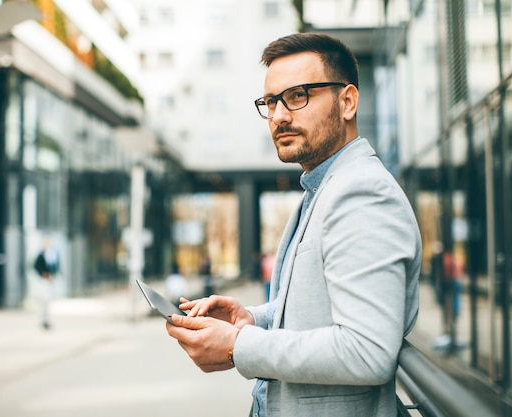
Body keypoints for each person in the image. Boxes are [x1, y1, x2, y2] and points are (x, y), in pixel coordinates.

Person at [165, 33, 422, 417]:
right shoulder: (323, 188)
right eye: (271, 101)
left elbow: (367, 351)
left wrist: (239, 345)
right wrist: (254, 318)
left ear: (347, 101)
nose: (280, 115)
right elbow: (321, 309)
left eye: (298, 95)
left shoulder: (362, 194)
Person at [34, 238, 60, 330]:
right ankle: (43, 319)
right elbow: (36, 267)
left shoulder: (52, 255)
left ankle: (47, 319)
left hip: (50, 281)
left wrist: (54, 275)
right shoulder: (40, 255)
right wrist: (43, 274)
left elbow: (56, 267)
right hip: (43, 281)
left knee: (48, 301)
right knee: (43, 300)